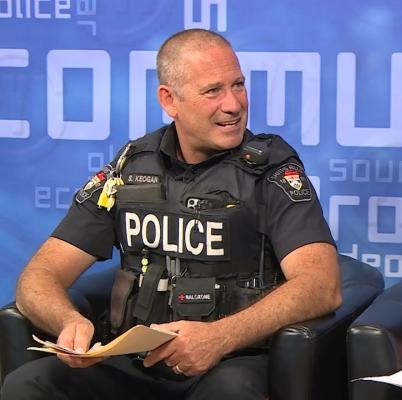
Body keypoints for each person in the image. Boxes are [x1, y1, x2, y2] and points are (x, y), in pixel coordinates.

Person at [1, 29, 341, 400]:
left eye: (238, 85)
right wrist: (69, 322)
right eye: (213, 91)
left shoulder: (272, 170)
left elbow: (321, 285)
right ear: (169, 100)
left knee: (231, 392)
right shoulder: (132, 167)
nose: (233, 104)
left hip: (230, 360)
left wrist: (220, 337)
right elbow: (38, 277)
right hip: (137, 361)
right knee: (27, 385)